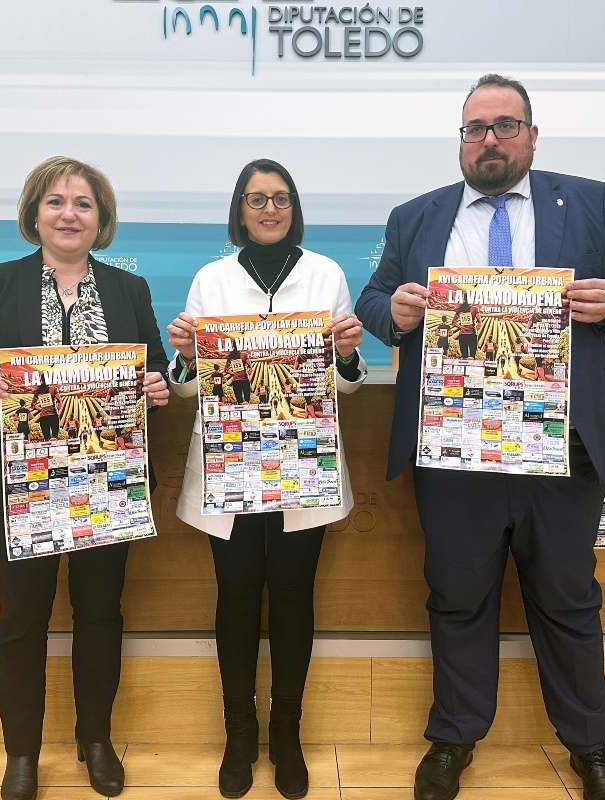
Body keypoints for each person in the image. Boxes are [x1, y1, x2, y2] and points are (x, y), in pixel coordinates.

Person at [355, 75, 605, 800]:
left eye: (503, 125)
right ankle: (452, 740)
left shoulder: (587, 199)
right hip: (454, 446)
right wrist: (394, 312)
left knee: (566, 597)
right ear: (459, 139)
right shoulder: (415, 217)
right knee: (456, 597)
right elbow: (373, 300)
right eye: (474, 128)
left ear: (531, 134)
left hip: (559, 448)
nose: (488, 140)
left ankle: (589, 747)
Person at [0, 155, 170, 800]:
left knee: (100, 617)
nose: (70, 214)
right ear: (34, 214)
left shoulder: (130, 291)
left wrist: (156, 386)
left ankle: (96, 741)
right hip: (19, 482)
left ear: (102, 220)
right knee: (22, 620)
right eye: (56, 201)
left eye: (84, 204)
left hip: (105, 481)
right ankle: (22, 755)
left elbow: (157, 371)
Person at [166, 158, 366, 800]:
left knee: (293, 602)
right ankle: (238, 732)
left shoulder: (326, 273)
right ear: (240, 208)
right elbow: (188, 387)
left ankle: (286, 733)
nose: (269, 208)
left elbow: (341, 386)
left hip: (302, 468)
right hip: (229, 472)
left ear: (294, 206)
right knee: (234, 603)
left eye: (280, 198)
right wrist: (185, 355)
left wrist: (347, 354)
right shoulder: (211, 278)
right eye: (256, 198)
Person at [33, 374, 60, 441]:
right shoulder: (54, 388)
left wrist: (42, 409)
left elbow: (33, 405)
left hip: (43, 417)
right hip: (53, 415)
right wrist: (58, 409)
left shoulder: (38, 390)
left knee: (47, 439)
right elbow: (59, 401)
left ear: (41, 379)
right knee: (55, 438)